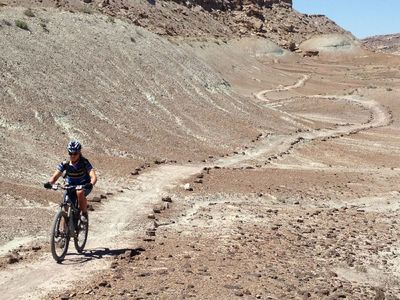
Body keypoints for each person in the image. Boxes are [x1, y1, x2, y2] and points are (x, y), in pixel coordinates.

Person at [44, 140, 97, 222]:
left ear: (79, 153)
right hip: (71, 186)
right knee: (66, 206)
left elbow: (93, 176)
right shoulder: (65, 164)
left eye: (75, 153)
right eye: (70, 153)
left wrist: (91, 184)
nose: (72, 155)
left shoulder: (84, 162)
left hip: (84, 185)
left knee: (79, 192)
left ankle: (84, 213)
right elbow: (55, 176)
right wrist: (49, 183)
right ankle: (64, 230)